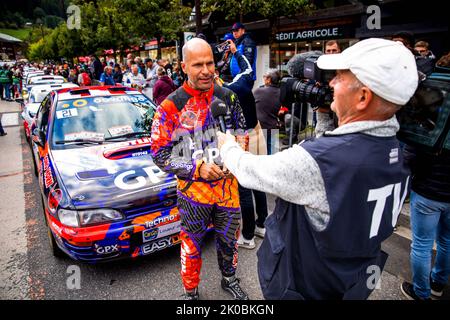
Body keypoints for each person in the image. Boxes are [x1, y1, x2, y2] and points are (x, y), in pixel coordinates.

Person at [217, 38, 419, 299]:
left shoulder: (321, 161)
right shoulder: (396, 148)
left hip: (306, 286)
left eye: (340, 78)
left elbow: (250, 171)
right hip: (351, 282)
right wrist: (327, 114)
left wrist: (227, 147)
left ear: (363, 96)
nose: (331, 84)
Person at [150, 37, 249, 300]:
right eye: (198, 65)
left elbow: (242, 133)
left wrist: (236, 157)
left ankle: (229, 279)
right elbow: (159, 154)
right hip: (193, 194)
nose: (206, 70)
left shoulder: (228, 96)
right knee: (191, 245)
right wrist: (196, 168)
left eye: (210, 63)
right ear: (184, 66)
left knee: (229, 241)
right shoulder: (170, 106)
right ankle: (191, 292)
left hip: (228, 191)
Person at [400, 55, 450, 301]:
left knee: (421, 244)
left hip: (428, 185)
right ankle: (438, 283)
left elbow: (411, 141)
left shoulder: (431, 92)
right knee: (447, 241)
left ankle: (421, 292)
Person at [221, 39, 269, 248]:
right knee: (258, 181)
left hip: (241, 139)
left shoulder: (221, 92)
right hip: (256, 133)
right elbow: (247, 68)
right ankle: (261, 225)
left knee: (243, 188)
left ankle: (247, 236)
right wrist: (235, 52)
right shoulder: (243, 83)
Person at [253, 69, 281, 155]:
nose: (263, 78)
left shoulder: (259, 91)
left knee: (259, 154)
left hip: (260, 127)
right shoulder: (281, 92)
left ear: (269, 79)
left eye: (264, 77)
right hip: (273, 126)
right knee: (272, 154)